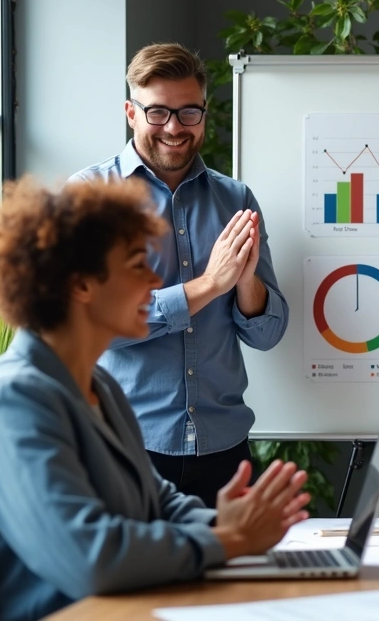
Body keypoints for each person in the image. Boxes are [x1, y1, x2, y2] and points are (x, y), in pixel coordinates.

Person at [0, 178, 310, 621]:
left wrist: (228, 522)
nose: (155, 281)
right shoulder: (13, 401)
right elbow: (91, 560)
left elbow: (155, 499)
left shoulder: (99, 388)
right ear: (82, 283)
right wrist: (229, 540)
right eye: (138, 264)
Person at [71, 43, 288, 506]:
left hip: (227, 450)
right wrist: (209, 284)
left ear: (204, 112)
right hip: (127, 448)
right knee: (140, 578)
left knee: (235, 577)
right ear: (131, 113)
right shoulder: (91, 197)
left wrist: (245, 279)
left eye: (189, 112)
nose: (174, 127)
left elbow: (268, 335)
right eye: (158, 113)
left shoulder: (237, 200)